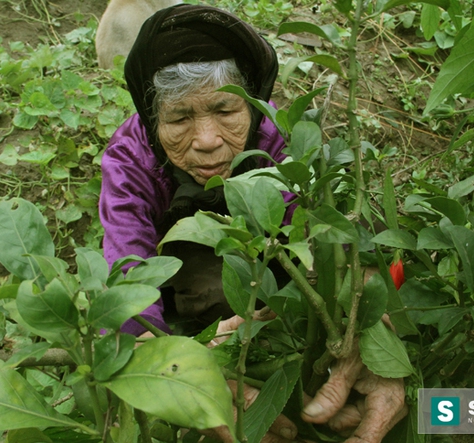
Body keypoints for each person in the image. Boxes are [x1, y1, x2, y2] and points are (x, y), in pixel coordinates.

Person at [99, 4, 406, 442]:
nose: (206, 141)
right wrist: (187, 379)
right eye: (180, 118)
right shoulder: (131, 161)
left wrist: (373, 336)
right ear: (153, 121)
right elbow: (128, 277)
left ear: (252, 101)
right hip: (195, 279)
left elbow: (332, 240)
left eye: (225, 110)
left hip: (271, 263)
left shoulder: (276, 139)